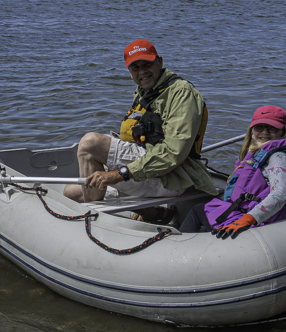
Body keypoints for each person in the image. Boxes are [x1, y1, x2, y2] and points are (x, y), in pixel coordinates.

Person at [63, 39, 216, 209]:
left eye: (147, 64)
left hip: (173, 176)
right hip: (149, 166)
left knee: (90, 143)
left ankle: (94, 215)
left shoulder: (181, 93)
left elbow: (173, 154)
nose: (142, 71)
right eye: (135, 67)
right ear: (130, 72)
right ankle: (154, 213)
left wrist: (119, 174)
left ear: (159, 62)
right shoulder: (145, 92)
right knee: (71, 192)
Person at [179, 105, 286, 238]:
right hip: (243, 210)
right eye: (259, 127)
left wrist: (249, 219)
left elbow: (280, 194)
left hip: (252, 219)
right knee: (202, 208)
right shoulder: (259, 153)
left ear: (282, 132)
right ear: (252, 131)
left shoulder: (277, 157)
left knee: (197, 211)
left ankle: (181, 244)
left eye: (272, 128)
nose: (265, 132)